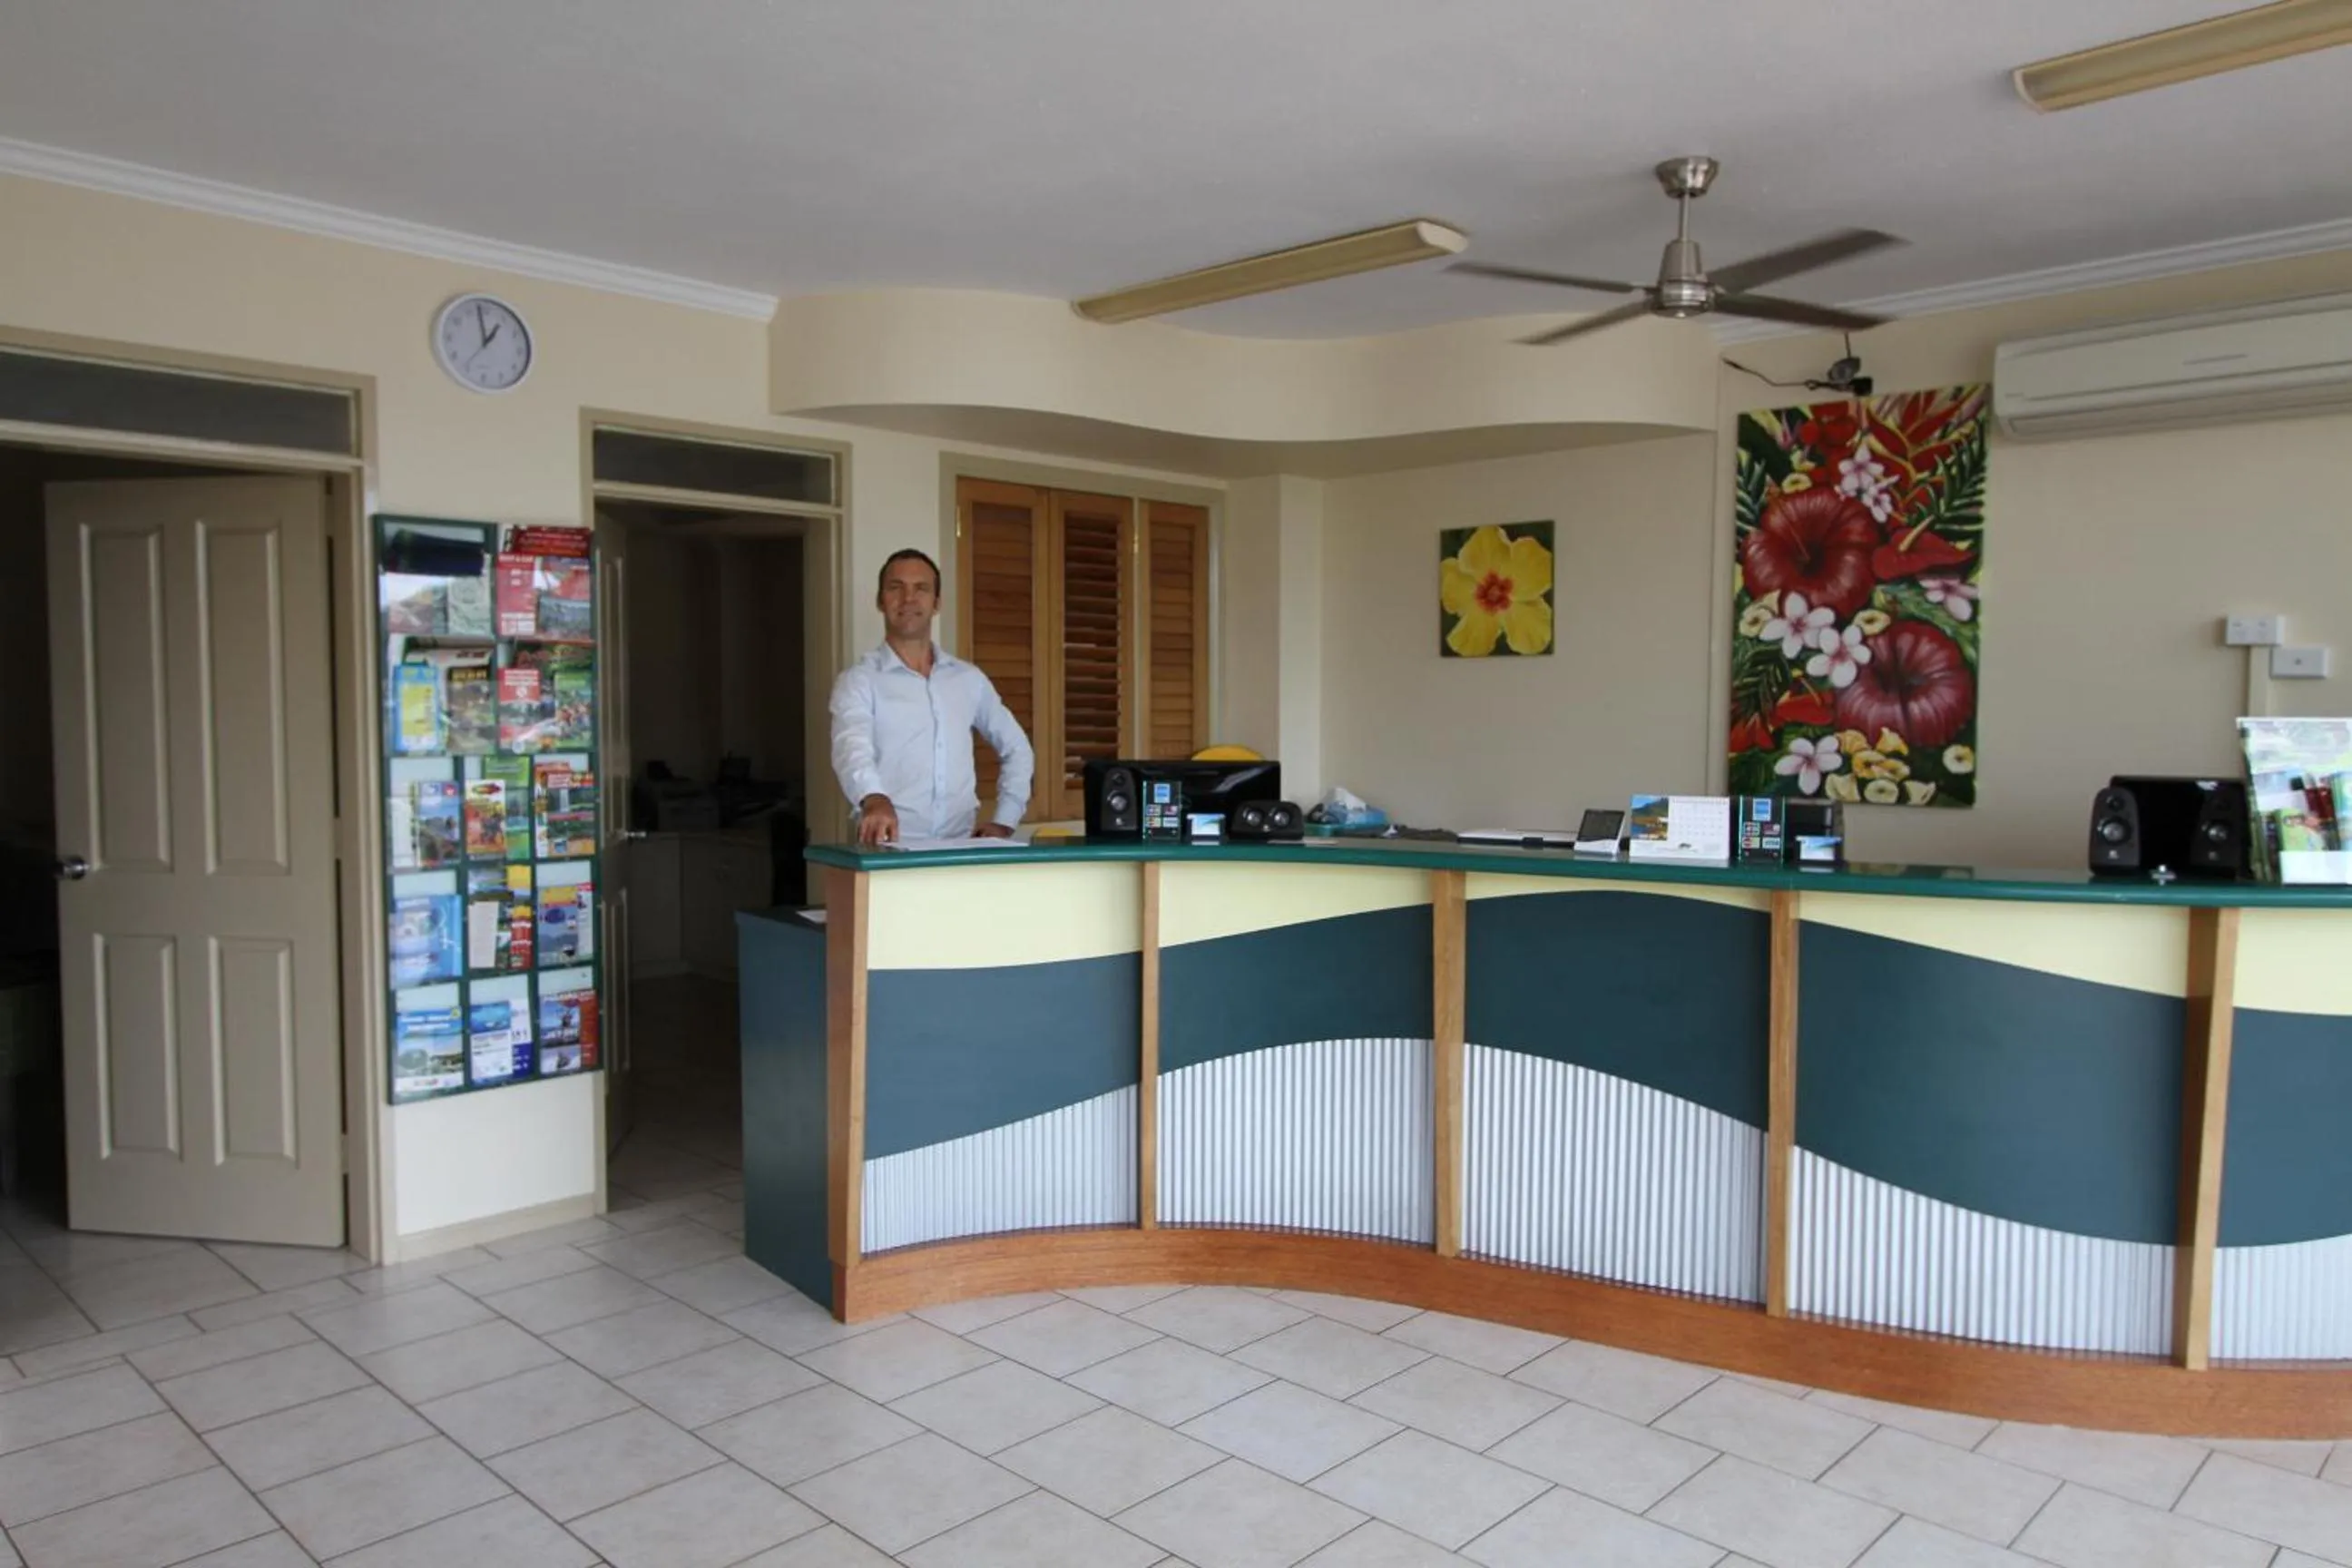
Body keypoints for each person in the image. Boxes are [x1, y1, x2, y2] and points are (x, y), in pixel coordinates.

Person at [828, 547, 1035, 847]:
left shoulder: (968, 679)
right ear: (880, 601)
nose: (908, 599)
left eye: (921, 589)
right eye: (896, 588)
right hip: (889, 851)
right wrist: (873, 797)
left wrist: (1005, 821)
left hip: (961, 853)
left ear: (936, 603)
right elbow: (851, 748)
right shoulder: (859, 681)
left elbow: (1017, 749)